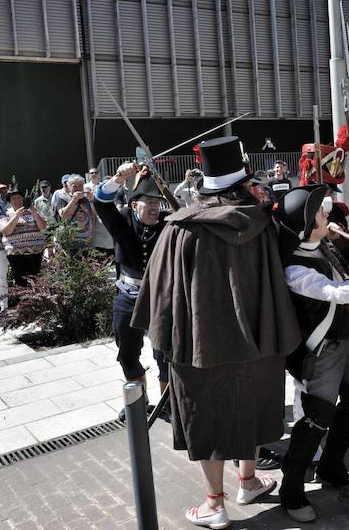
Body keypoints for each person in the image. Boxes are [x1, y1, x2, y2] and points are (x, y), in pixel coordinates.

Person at [132, 136, 300, 529]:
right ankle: (248, 479)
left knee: (207, 415)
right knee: (255, 403)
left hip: (200, 345)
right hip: (260, 340)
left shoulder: (179, 229)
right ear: (242, 180)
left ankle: (215, 502)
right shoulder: (263, 223)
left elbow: (160, 290)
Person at [274, 185, 349, 523]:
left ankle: (331, 464)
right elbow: (338, 292)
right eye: (319, 211)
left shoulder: (321, 244)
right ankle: (292, 489)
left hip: (348, 339)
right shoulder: (294, 267)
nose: (327, 215)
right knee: (318, 416)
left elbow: (347, 271)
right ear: (305, 223)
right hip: (323, 349)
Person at [95, 163, 173, 423]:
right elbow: (100, 202)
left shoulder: (167, 225)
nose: (154, 207)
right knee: (127, 351)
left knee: (165, 353)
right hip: (128, 296)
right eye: (148, 202)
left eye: (157, 202)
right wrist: (118, 178)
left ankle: (169, 404)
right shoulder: (122, 222)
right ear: (134, 203)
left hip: (161, 298)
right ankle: (138, 403)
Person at [0, 189, 47, 288]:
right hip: (16, 254)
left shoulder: (33, 210)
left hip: (35, 252)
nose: (17, 200)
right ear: (10, 201)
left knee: (35, 280)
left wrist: (36, 215)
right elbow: (5, 230)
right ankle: (23, 303)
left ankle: (36, 302)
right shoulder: (6, 213)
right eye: (13, 199)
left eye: (19, 198)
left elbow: (43, 228)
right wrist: (16, 216)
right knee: (20, 281)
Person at [58, 174, 95, 251]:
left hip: (87, 242)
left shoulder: (87, 198)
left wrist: (92, 200)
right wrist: (74, 200)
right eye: (75, 186)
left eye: (80, 185)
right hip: (70, 243)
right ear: (69, 186)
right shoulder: (63, 198)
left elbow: (95, 216)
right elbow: (64, 216)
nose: (78, 188)